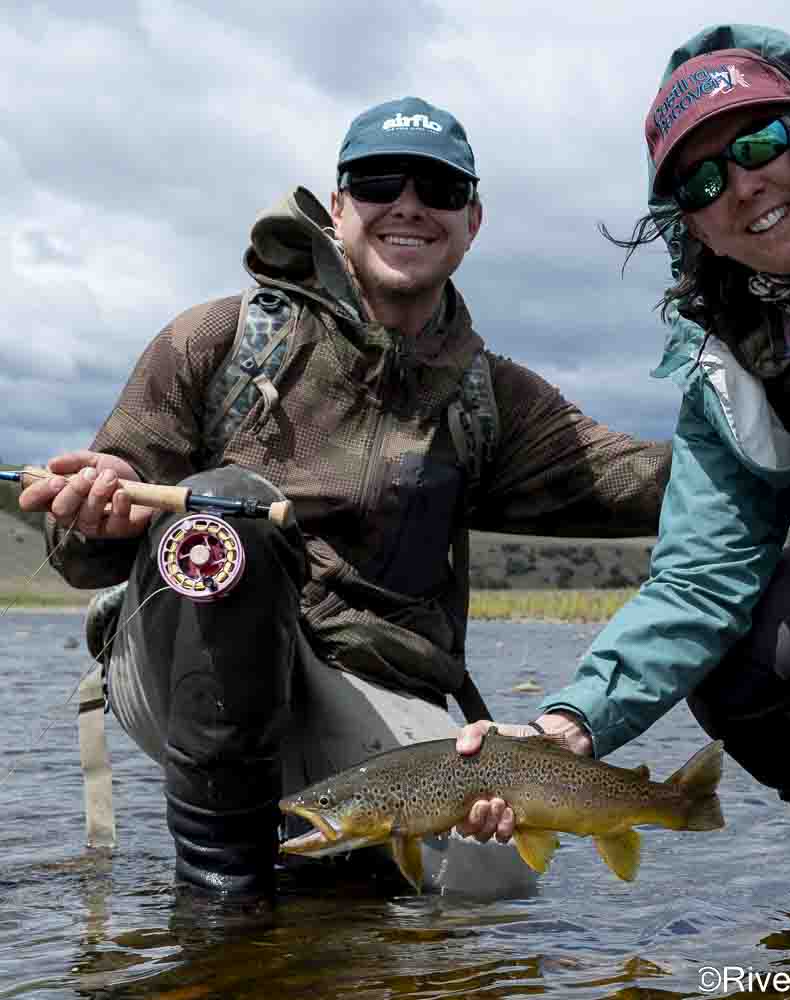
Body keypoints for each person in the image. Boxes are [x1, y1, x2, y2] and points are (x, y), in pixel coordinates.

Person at [20, 97, 671, 896]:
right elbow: (82, 555)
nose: (406, 204)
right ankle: (223, 904)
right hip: (182, 674)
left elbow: (656, 484)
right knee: (229, 510)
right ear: (336, 207)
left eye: (435, 186)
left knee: (488, 888)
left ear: (472, 220)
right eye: (376, 182)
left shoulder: (496, 401)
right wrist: (93, 515)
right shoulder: (217, 342)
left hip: (370, 694)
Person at [458, 25, 790, 895]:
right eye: (705, 179)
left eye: (757, 144)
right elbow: (697, 581)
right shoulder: (724, 371)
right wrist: (569, 725)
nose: (744, 185)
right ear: (692, 224)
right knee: (734, 648)